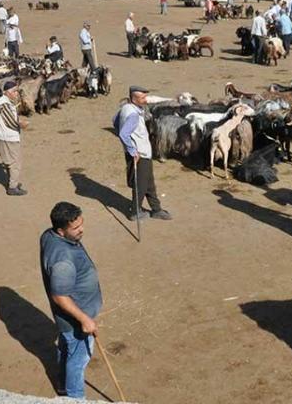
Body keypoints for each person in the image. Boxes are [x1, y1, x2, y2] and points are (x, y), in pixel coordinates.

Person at [40, 202, 102, 399]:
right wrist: (84, 319)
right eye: (75, 228)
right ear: (60, 230)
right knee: (79, 358)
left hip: (68, 318)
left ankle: (62, 385)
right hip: (75, 318)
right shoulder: (63, 261)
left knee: (67, 348)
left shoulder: (49, 235)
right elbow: (60, 296)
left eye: (81, 224)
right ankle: (74, 398)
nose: (81, 229)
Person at [114, 86, 172, 220]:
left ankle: (156, 209)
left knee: (149, 183)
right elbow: (123, 134)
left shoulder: (126, 108)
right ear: (134, 99)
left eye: (145, 97)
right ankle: (135, 212)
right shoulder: (133, 114)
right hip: (139, 154)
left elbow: (115, 121)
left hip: (142, 152)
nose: (145, 100)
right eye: (142, 98)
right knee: (141, 184)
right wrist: (133, 150)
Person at [0, 81, 28, 196]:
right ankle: (13, 187)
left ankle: (12, 183)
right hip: (8, 138)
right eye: (14, 91)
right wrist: (21, 124)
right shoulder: (4, 104)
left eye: (17, 91)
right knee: (15, 163)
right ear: (6, 92)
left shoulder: (4, 102)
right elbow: (10, 122)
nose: (16, 93)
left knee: (9, 162)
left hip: (3, 136)